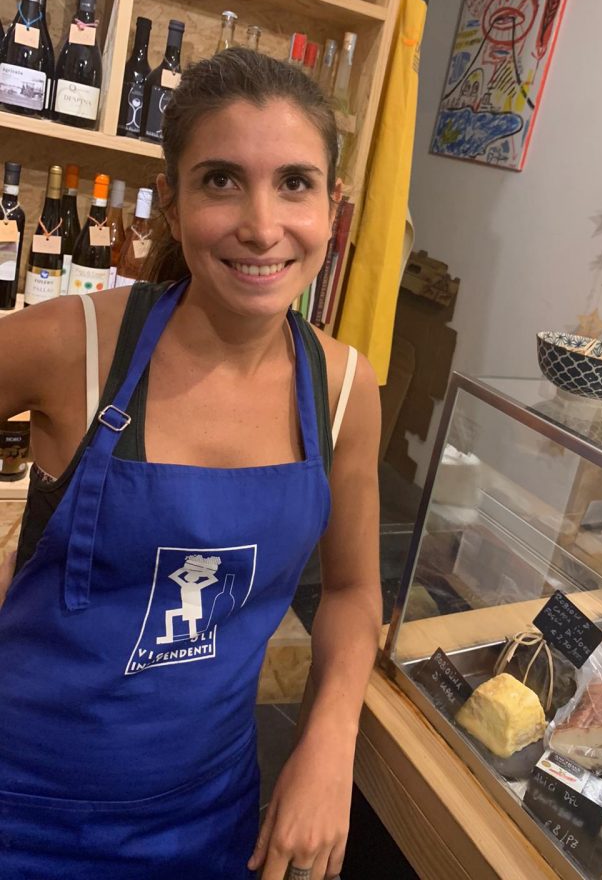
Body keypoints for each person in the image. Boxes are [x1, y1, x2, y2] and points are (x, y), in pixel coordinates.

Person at [0, 48, 382, 880]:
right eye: (221, 181)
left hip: (209, 819)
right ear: (171, 205)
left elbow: (353, 592)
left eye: (294, 183)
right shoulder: (77, 344)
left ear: (333, 208)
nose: (261, 226)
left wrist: (329, 741)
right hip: (19, 807)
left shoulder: (345, 390)